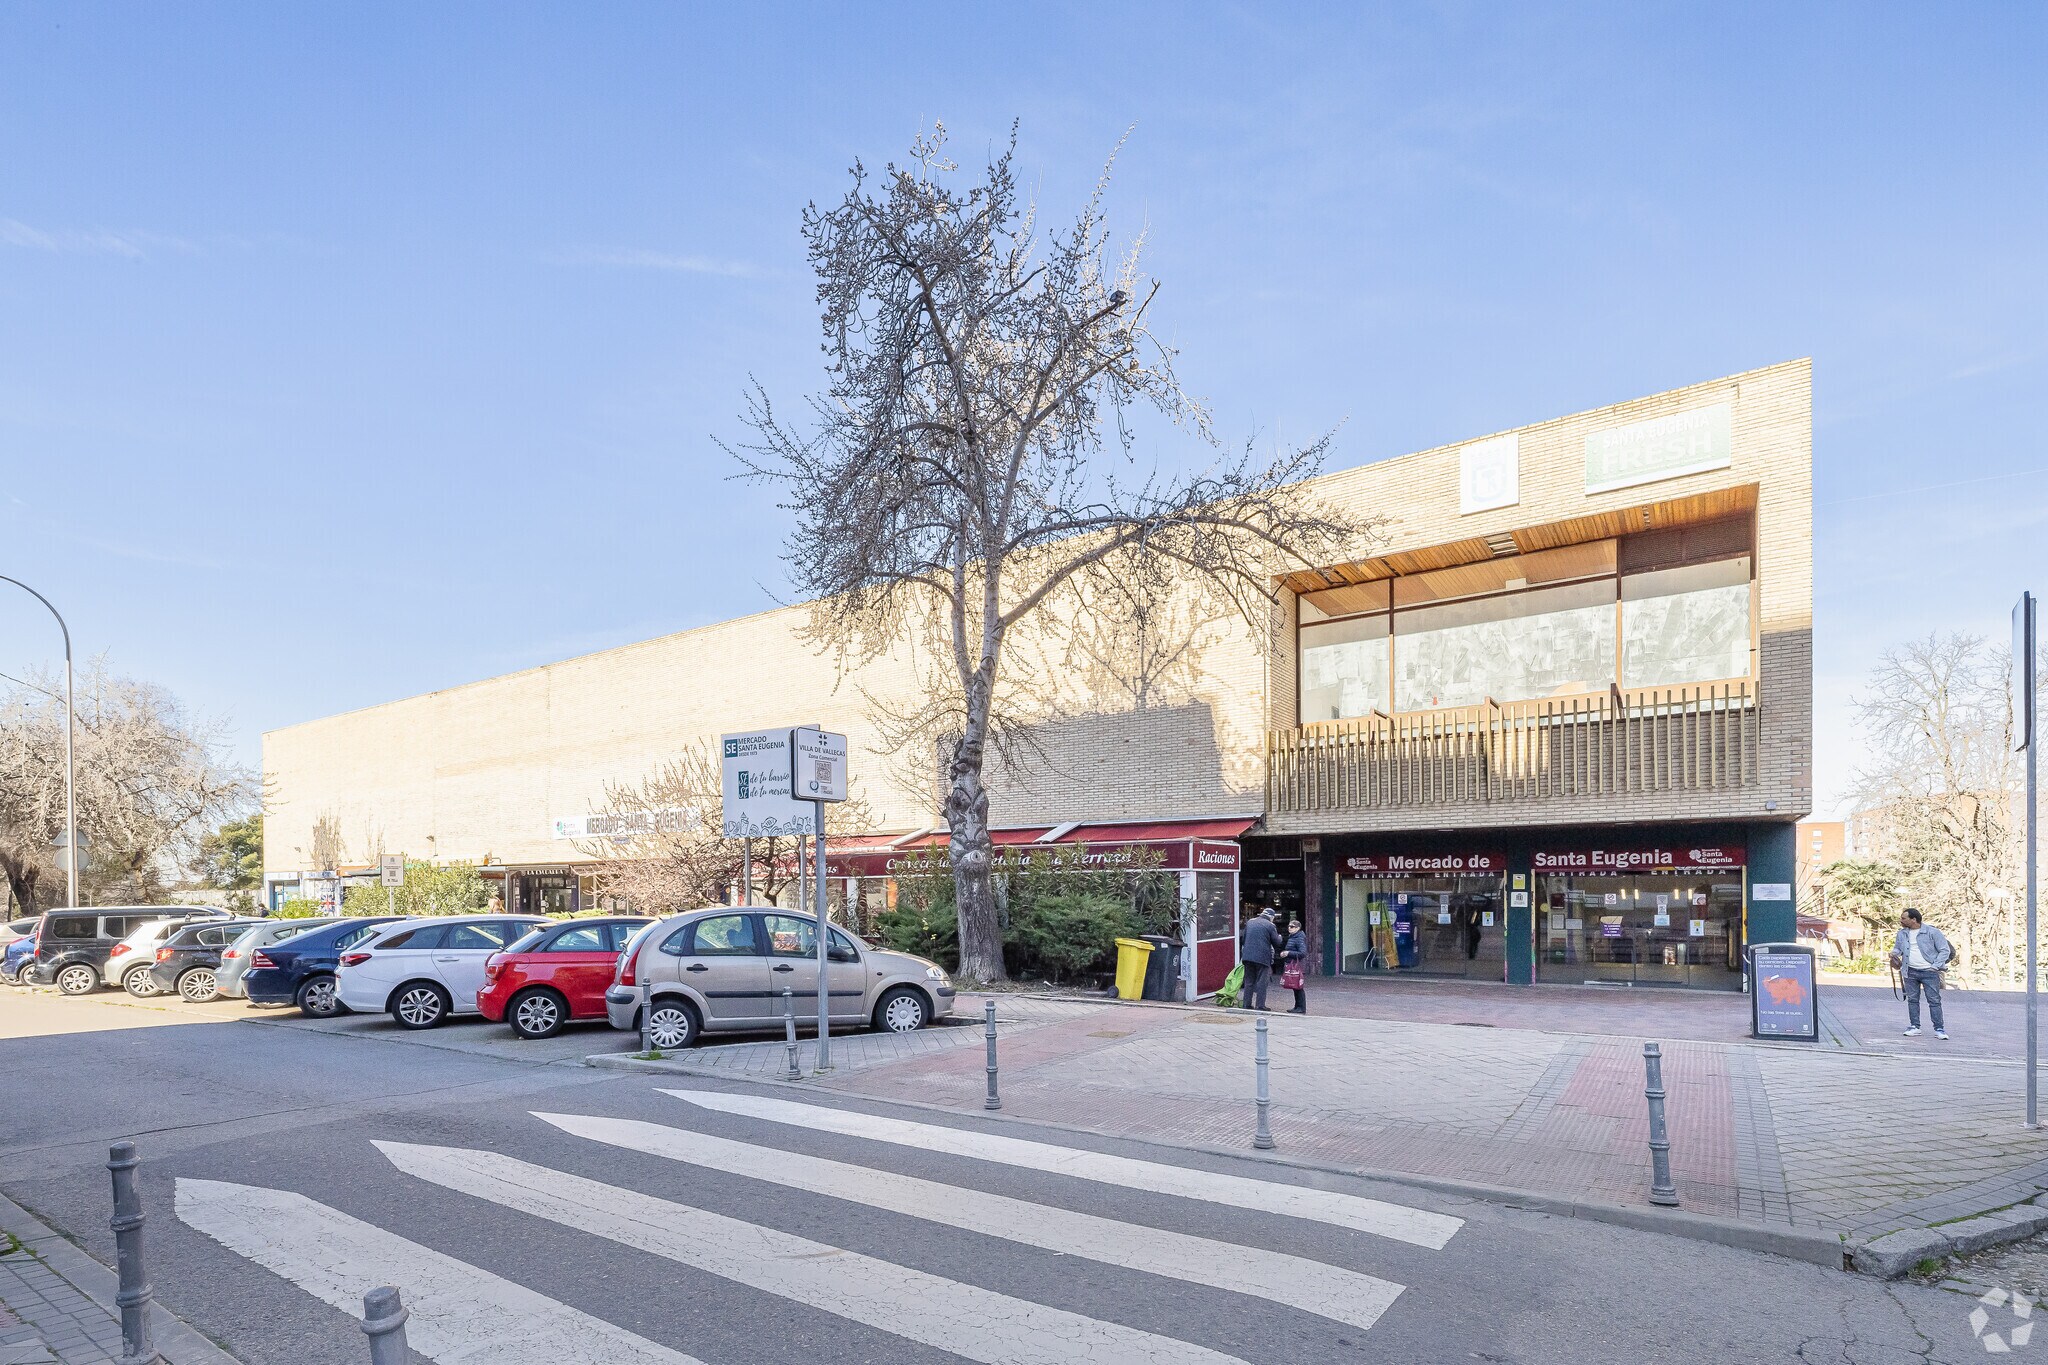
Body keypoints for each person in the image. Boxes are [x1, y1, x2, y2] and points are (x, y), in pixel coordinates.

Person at [1889, 907, 1954, 1040]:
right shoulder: (1902, 933)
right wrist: (1894, 954)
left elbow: (1944, 950)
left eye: (1904, 918)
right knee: (1912, 1000)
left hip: (1929, 972)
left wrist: (1935, 966)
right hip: (1910, 970)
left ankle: (1939, 1029)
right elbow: (1898, 948)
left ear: (1913, 919)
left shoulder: (1932, 932)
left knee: (1934, 1000)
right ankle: (1914, 1026)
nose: (1901, 920)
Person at [1240, 908, 1284, 1012]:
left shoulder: (1250, 922)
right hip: (1262, 958)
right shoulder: (1270, 925)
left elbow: (1243, 939)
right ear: (1271, 917)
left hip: (1247, 957)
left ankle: (1246, 1004)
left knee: (1249, 981)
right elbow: (1277, 942)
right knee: (1261, 982)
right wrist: (1280, 937)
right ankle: (1260, 1005)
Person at [1281, 918, 1309, 1014]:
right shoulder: (1292, 937)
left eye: (1292, 926)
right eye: (1289, 926)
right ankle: (1297, 1006)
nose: (1289, 928)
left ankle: (1301, 1007)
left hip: (1296, 965)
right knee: (1295, 986)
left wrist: (1288, 953)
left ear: (1298, 928)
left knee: (1298, 986)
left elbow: (1302, 953)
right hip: (1292, 964)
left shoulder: (1299, 938)